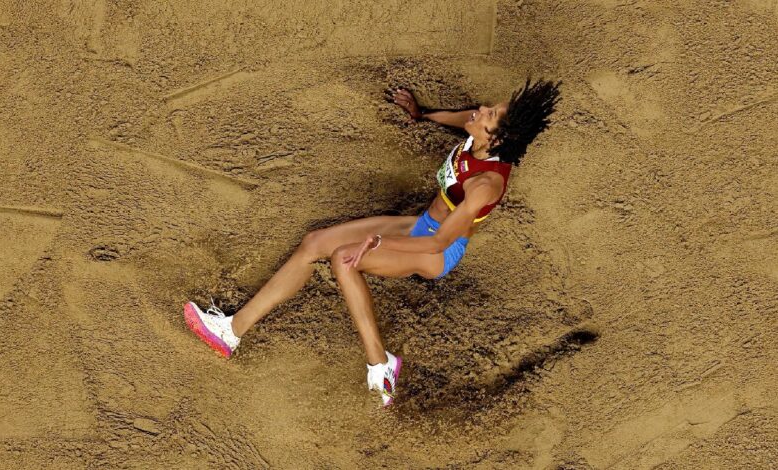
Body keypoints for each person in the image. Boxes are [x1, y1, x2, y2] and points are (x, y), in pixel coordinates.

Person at [184, 79, 561, 407]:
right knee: (314, 242)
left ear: (496, 138)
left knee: (344, 259)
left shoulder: (486, 185)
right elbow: (458, 116)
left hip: (438, 250)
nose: (481, 109)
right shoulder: (477, 132)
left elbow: (439, 243)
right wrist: (421, 113)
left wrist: (381, 241)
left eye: (490, 114)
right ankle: (230, 333)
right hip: (422, 224)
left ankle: (380, 365)